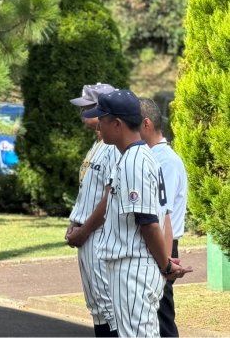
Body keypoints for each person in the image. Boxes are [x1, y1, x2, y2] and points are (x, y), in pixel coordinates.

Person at [82, 90, 192, 337]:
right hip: (134, 264)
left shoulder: (135, 161)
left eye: (103, 119)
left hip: (135, 267)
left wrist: (165, 265)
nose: (98, 125)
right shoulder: (136, 156)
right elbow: (160, 218)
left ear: (118, 124)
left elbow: (151, 224)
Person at [65, 84, 119, 337]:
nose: (83, 111)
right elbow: (88, 194)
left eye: (89, 106)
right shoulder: (98, 144)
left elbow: (108, 199)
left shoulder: (113, 148)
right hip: (87, 234)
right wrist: (75, 223)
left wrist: (83, 230)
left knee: (109, 309)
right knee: (97, 307)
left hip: (100, 235)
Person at [139, 97, 188, 338]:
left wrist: (165, 261)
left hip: (163, 246)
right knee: (152, 318)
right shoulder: (151, 157)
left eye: (131, 123)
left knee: (162, 320)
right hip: (156, 246)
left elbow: (162, 216)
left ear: (146, 124)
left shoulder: (165, 161)